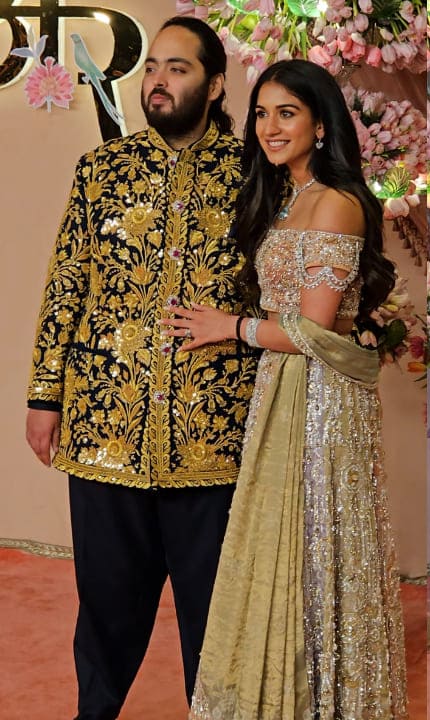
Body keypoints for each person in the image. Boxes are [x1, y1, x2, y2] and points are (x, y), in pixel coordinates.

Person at [23, 17, 255, 719]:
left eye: (178, 68)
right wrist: (45, 395)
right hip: (104, 429)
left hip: (214, 437)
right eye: (152, 66)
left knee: (214, 616)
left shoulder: (253, 177)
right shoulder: (103, 170)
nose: (158, 80)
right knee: (106, 605)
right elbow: (67, 284)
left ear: (215, 85)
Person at [163, 59, 407, 718]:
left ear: (321, 125)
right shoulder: (291, 195)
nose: (269, 127)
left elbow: (316, 326)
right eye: (262, 113)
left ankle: (321, 699)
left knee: (313, 546)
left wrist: (229, 327)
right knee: (279, 546)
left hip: (319, 396)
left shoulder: (333, 202)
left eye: (286, 113)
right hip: (284, 385)